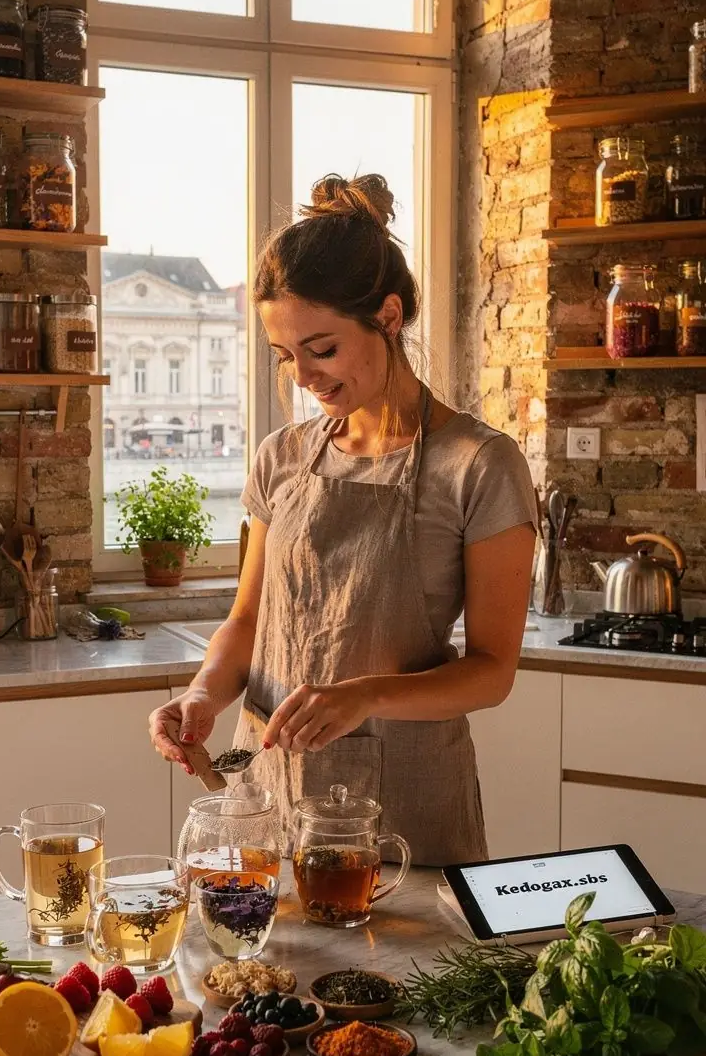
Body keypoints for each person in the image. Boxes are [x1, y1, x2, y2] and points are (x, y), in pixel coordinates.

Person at [149, 174, 537, 865]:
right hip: (266, 798)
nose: (303, 376)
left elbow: (492, 672)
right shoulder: (282, 457)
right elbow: (248, 620)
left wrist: (363, 697)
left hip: (406, 808)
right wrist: (202, 694)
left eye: (321, 349)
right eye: (285, 356)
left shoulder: (479, 465)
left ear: (387, 317)